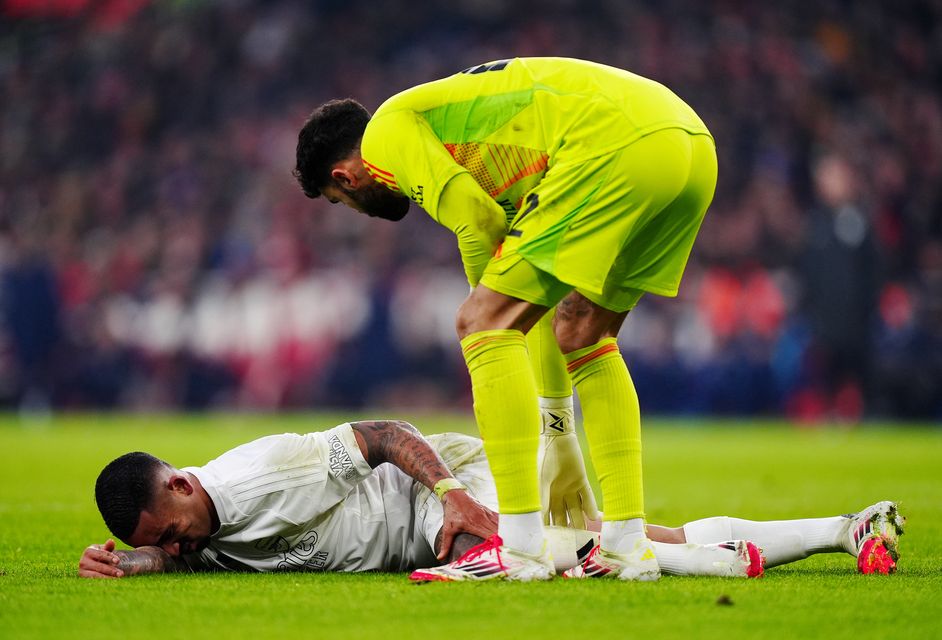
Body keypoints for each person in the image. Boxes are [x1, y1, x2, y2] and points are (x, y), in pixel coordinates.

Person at [293, 57, 718, 580]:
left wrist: (485, 314)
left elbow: (476, 222)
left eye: (343, 201)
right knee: (584, 333)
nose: (355, 208)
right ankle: (628, 545)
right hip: (686, 143)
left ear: (344, 177)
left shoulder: (385, 134)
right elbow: (528, 294)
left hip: (612, 146)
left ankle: (518, 548)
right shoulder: (487, 150)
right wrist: (558, 431)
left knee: (482, 322)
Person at [78, 420, 905, 579]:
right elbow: (183, 551)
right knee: (638, 534)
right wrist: (148, 557)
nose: (185, 549)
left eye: (176, 532)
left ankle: (723, 562)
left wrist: (450, 497)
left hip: (445, 501)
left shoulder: (265, 472)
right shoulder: (193, 532)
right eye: (172, 543)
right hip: (430, 526)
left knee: (574, 554)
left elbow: (382, 433)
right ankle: (841, 529)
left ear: (185, 485)